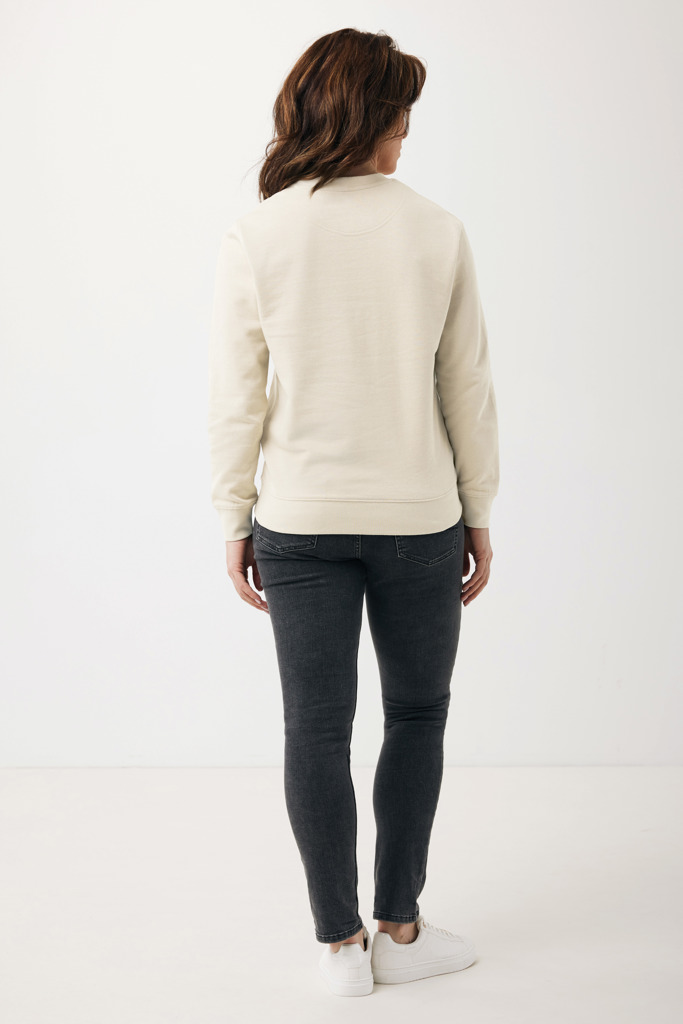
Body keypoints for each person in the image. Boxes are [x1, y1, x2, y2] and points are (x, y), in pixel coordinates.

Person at [207, 27, 499, 996]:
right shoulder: (436, 229)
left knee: (314, 728)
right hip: (420, 519)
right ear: (373, 116)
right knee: (415, 714)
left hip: (296, 520)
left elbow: (235, 398)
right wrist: (478, 508)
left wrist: (234, 518)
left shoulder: (261, 233)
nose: (408, 131)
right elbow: (466, 388)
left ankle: (340, 951)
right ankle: (399, 931)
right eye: (401, 112)